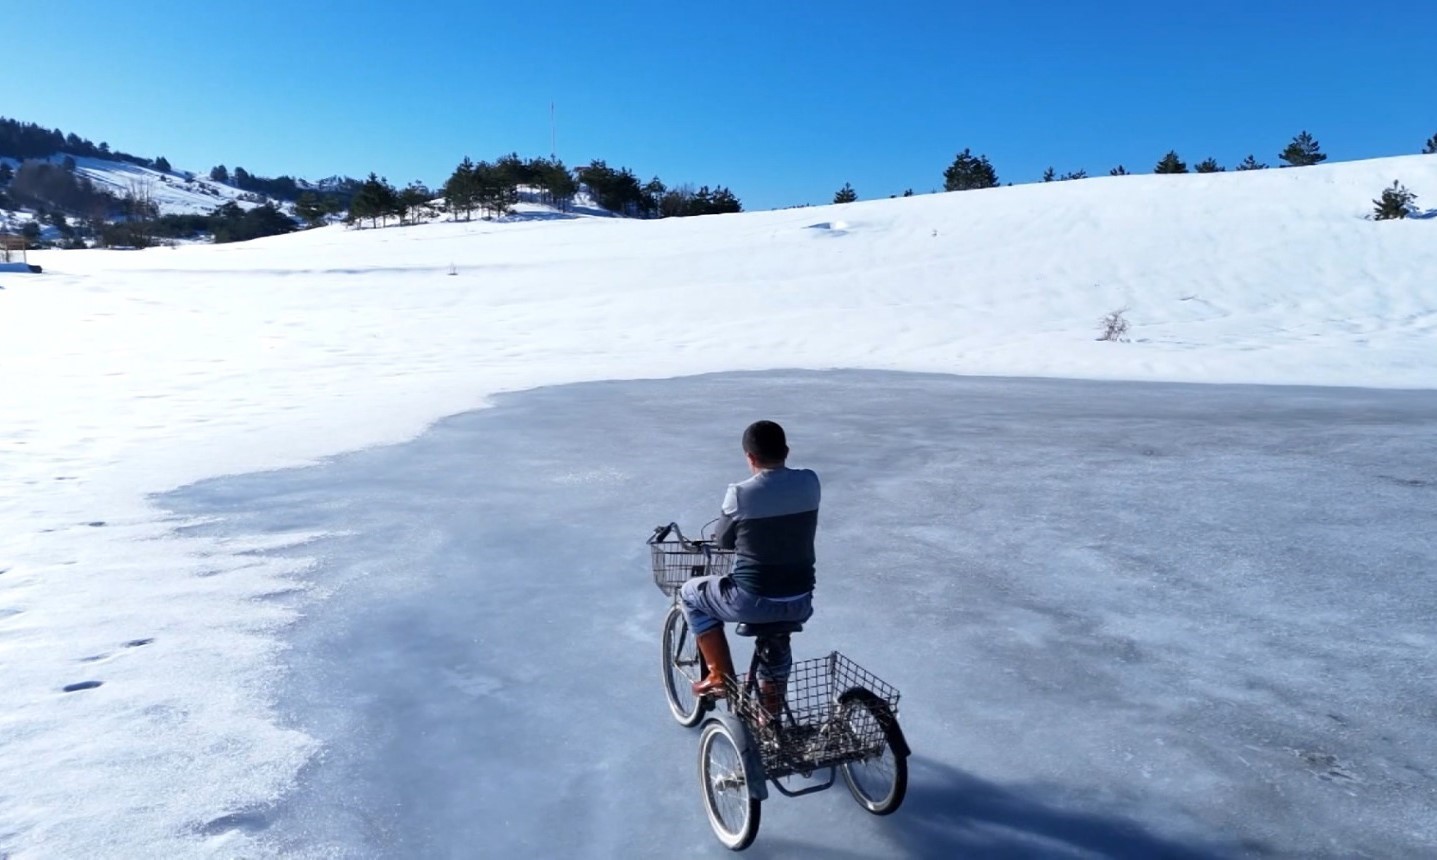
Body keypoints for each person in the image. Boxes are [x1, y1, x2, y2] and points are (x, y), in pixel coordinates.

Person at [679, 420, 820, 713]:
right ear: (787, 451)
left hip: (752, 600)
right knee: (776, 639)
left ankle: (718, 675)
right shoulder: (810, 481)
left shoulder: (740, 494)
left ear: (750, 458)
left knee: (691, 593)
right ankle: (769, 717)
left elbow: (724, 539)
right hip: (800, 600)